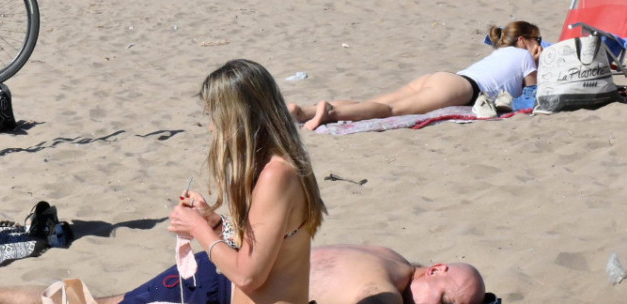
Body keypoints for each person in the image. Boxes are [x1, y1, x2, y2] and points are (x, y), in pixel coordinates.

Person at [129, 60, 326, 304]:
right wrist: (214, 224)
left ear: (237, 118)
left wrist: (196, 228)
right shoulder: (274, 168)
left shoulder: (276, 175)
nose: (212, 128)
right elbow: (264, 246)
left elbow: (247, 276)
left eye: (214, 116)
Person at [0, 244, 485, 304]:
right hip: (217, 286)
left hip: (218, 270)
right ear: (436, 268)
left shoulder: (388, 255)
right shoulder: (385, 288)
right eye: (443, 302)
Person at [291, 22, 541, 129]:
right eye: (537, 39)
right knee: (389, 111)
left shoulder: (500, 53)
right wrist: (538, 60)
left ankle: (304, 111)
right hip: (464, 89)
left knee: (379, 102)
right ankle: (330, 113)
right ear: (523, 40)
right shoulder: (526, 57)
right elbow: (532, 96)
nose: (539, 44)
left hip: (443, 77)